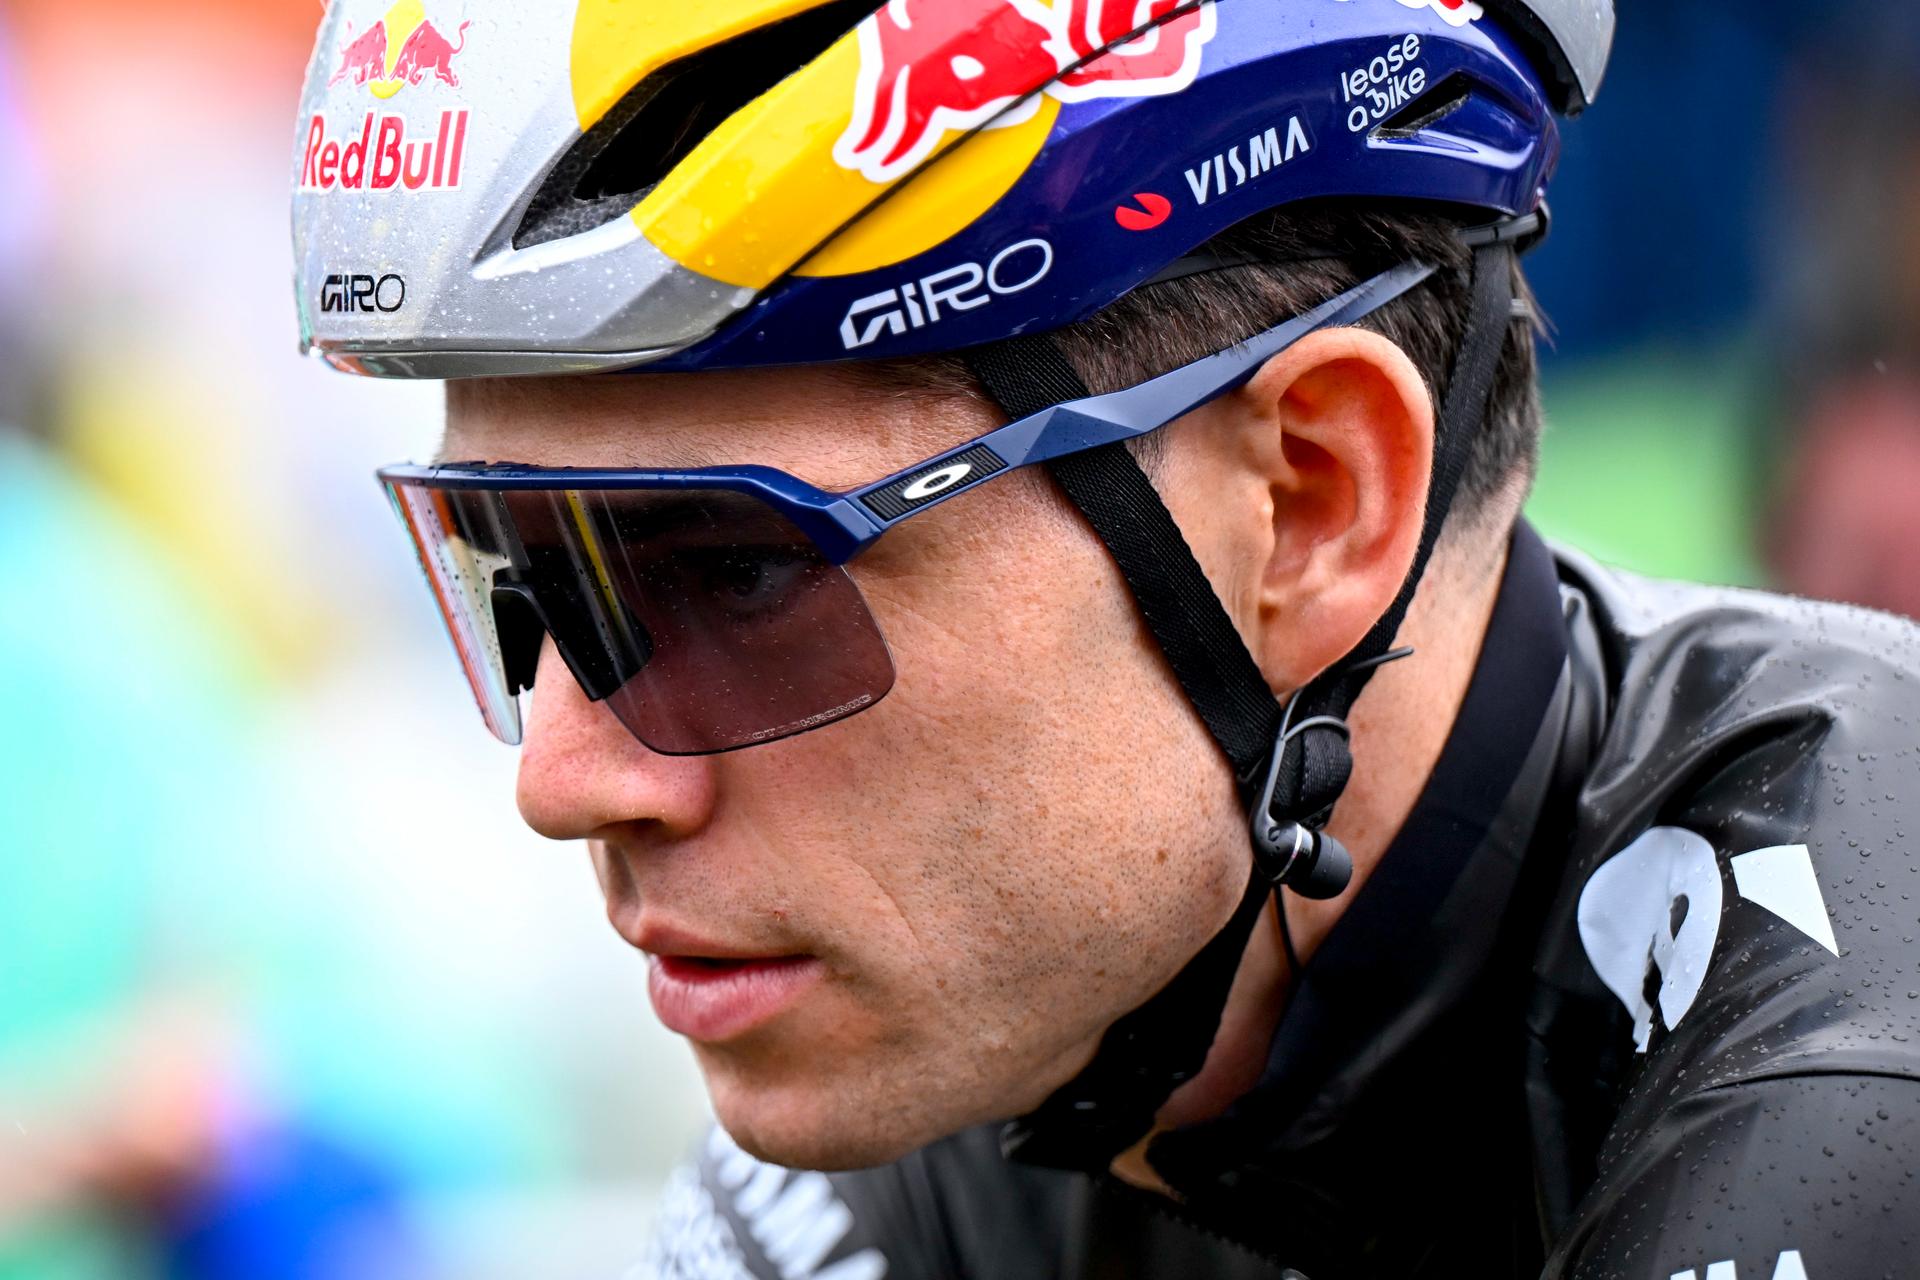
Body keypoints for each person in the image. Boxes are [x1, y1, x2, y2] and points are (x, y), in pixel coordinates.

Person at [289, 1, 1920, 1276]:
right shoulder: (1005, 1021)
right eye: (523, 578)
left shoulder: (1854, 1103)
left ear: (1312, 504)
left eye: (738, 577)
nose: (567, 779)